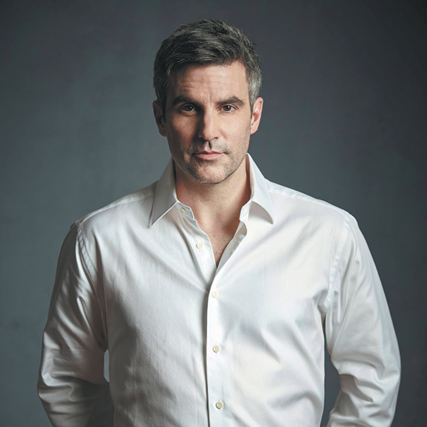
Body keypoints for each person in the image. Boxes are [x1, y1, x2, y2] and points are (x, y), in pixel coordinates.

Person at [38, 19, 400, 427]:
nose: (208, 131)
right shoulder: (98, 240)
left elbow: (373, 378)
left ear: (254, 115)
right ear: (160, 118)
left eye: (228, 107)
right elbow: (66, 379)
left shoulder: (329, 234)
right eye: (188, 107)